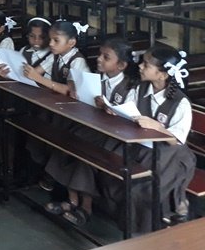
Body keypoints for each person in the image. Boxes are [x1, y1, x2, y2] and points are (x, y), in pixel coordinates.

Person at [42, 38, 140, 226]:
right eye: (100, 54)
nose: (99, 59)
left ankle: (86, 207)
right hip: (94, 127)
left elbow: (131, 119)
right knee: (67, 140)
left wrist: (109, 109)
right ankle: (72, 200)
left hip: (115, 137)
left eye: (106, 57)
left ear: (121, 65)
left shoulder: (130, 88)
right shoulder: (96, 79)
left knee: (86, 153)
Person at [102, 45, 196, 232]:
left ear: (162, 75)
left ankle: (145, 229)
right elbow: (129, 112)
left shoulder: (180, 103)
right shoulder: (140, 89)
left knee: (142, 187)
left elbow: (176, 140)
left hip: (170, 156)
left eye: (146, 65)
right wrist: (115, 111)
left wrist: (158, 127)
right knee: (111, 168)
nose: (140, 67)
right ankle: (129, 222)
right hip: (143, 148)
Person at [23, 19, 89, 96]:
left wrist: (38, 78)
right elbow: (36, 72)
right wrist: (28, 71)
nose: (51, 44)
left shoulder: (77, 61)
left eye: (56, 40)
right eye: (50, 39)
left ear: (71, 42)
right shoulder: (54, 56)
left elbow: (70, 91)